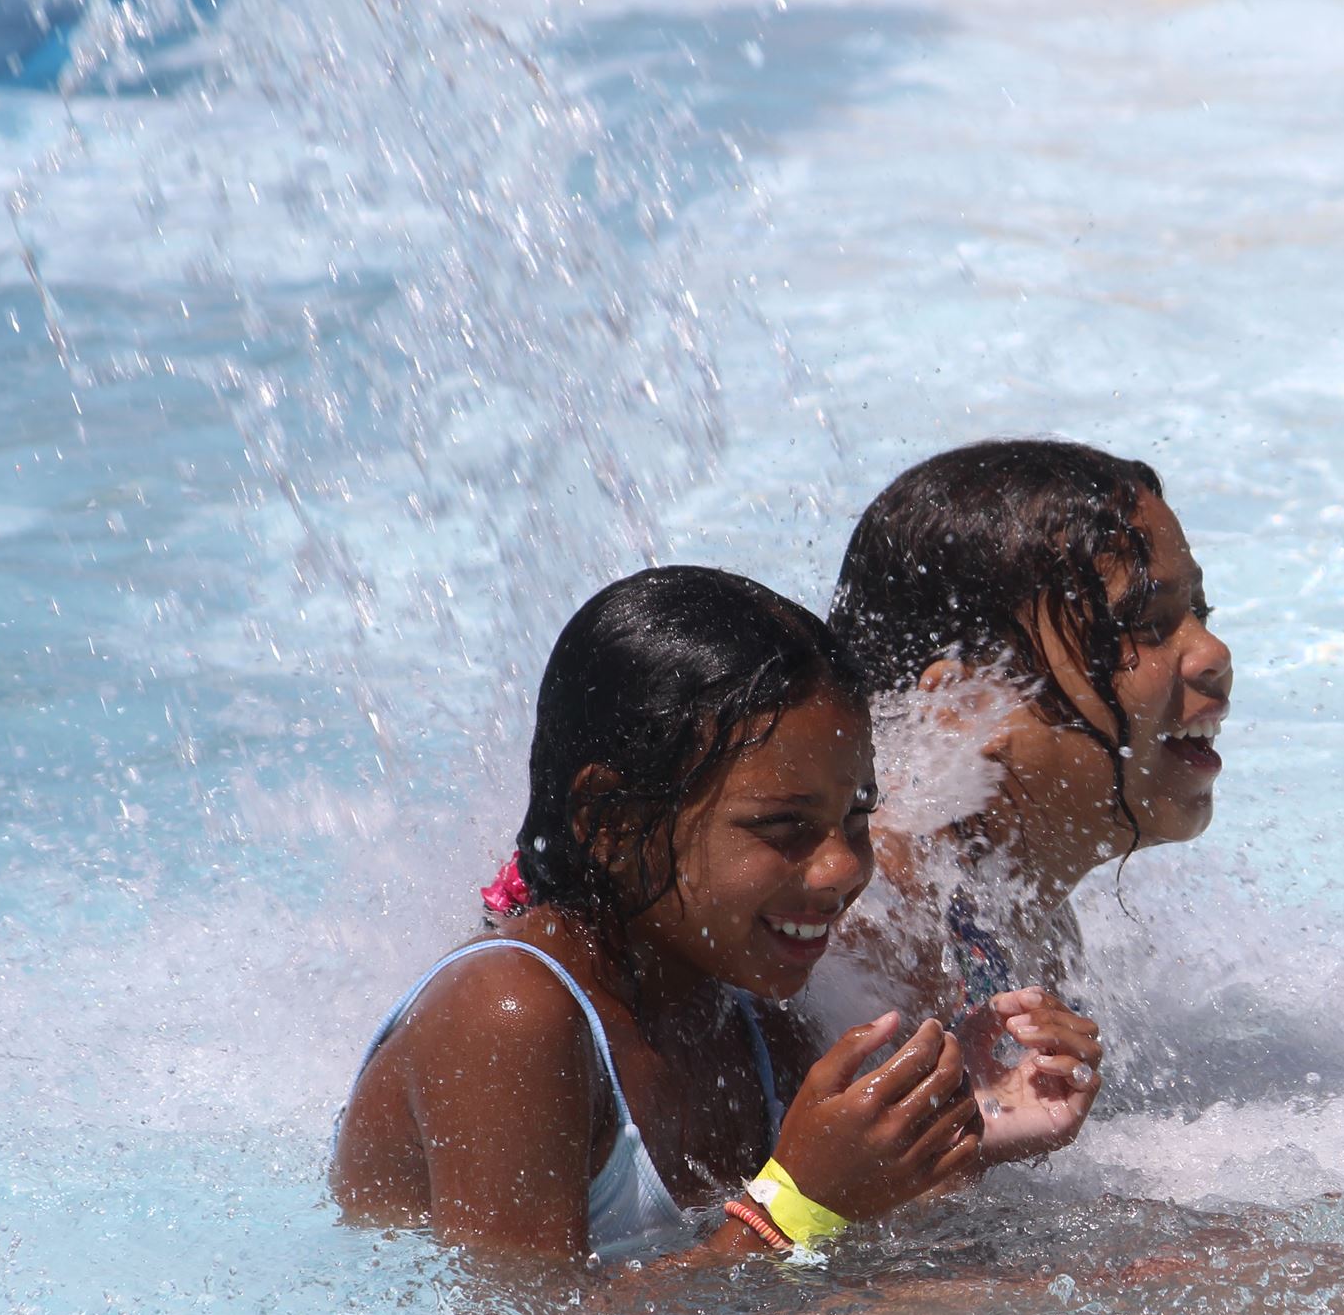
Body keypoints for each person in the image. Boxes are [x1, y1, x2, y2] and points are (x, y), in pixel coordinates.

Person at [333, 565, 1068, 1268]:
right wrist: (794, 1211)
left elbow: (803, 1249)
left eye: (856, 815)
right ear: (609, 821)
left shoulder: (750, 1013)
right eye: (783, 825)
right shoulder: (508, 1014)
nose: (845, 867)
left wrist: (964, 1126)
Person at [823, 439, 1232, 1123]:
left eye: (1200, 613)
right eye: (1144, 623)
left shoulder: (1002, 902)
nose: (1214, 654)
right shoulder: (870, 938)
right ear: (959, 710)